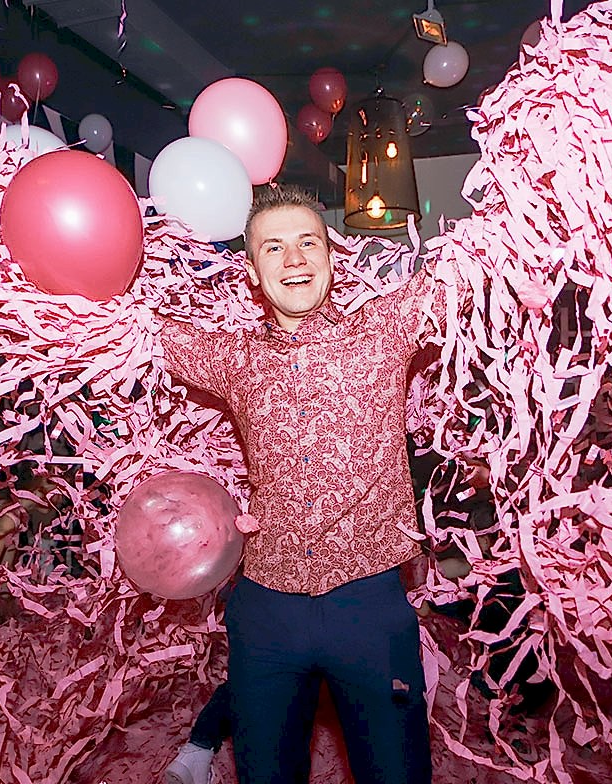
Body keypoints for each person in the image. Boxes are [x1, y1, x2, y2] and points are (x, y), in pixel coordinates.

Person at [155, 184, 452, 784]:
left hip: (369, 607)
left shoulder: (386, 328)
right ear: (252, 272)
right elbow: (133, 325)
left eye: (307, 243)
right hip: (267, 613)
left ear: (331, 257)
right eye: (273, 248)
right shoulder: (235, 358)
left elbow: (473, 273)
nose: (294, 259)